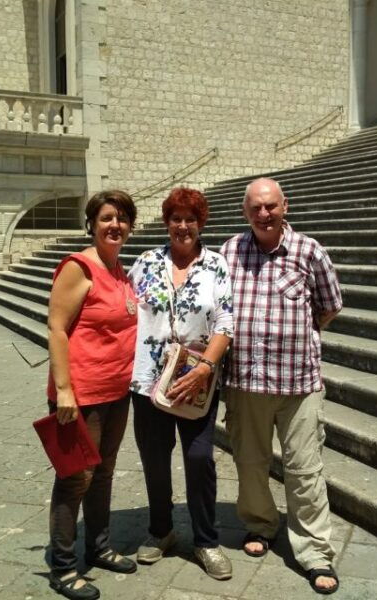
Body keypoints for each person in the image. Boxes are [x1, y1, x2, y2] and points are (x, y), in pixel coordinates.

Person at [220, 177, 343, 595]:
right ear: (245, 212)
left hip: (299, 384)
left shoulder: (309, 251)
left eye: (271, 206)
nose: (264, 214)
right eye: (255, 207)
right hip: (245, 382)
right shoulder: (230, 251)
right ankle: (260, 524)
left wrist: (293, 339)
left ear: (284, 206)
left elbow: (328, 307)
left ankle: (314, 552)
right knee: (250, 463)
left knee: (305, 470)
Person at [128, 187, 234, 580]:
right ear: (167, 222)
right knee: (155, 461)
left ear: (201, 223)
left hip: (196, 379)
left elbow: (226, 321)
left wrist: (207, 366)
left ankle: (206, 541)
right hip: (148, 380)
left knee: (199, 458)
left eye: (191, 218)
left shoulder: (216, 265)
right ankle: (162, 531)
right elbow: (125, 310)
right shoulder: (146, 262)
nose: (183, 225)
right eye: (176, 218)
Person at [46, 190, 139, 600]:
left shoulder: (120, 271)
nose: (114, 225)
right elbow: (57, 329)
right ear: (92, 224)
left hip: (117, 392)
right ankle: (63, 568)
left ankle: (98, 547)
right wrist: (64, 390)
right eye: (106, 218)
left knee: (102, 473)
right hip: (80, 396)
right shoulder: (78, 267)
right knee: (74, 479)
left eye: (122, 219)